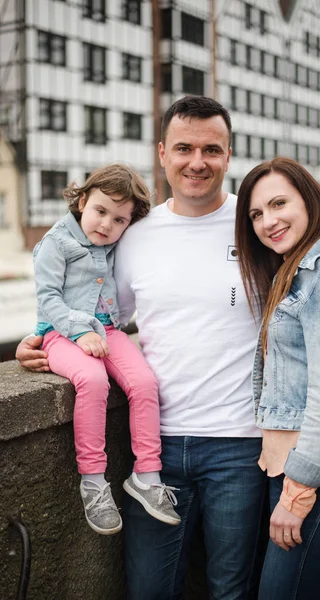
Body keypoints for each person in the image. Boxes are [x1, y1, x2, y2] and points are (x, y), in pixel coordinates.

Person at [17, 97, 320, 599]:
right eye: (183, 148)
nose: (196, 161)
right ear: (162, 153)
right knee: (148, 589)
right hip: (154, 448)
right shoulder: (132, 233)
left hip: (242, 445)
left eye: (211, 149)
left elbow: (316, 317)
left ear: (229, 155)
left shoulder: (258, 230)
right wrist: (49, 342)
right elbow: (103, 318)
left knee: (230, 589)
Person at [235, 157, 320, 600]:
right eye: (256, 214)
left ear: (309, 200)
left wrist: (295, 497)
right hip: (301, 470)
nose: (267, 221)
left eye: (279, 204)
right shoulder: (297, 271)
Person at [32, 164, 180, 536]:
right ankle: (94, 482)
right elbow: (48, 297)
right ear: (82, 201)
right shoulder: (56, 242)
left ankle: (147, 474)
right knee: (93, 381)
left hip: (109, 331)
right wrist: (79, 333)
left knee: (145, 382)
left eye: (119, 220)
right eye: (100, 211)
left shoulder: (117, 243)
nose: (106, 225)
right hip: (61, 334)